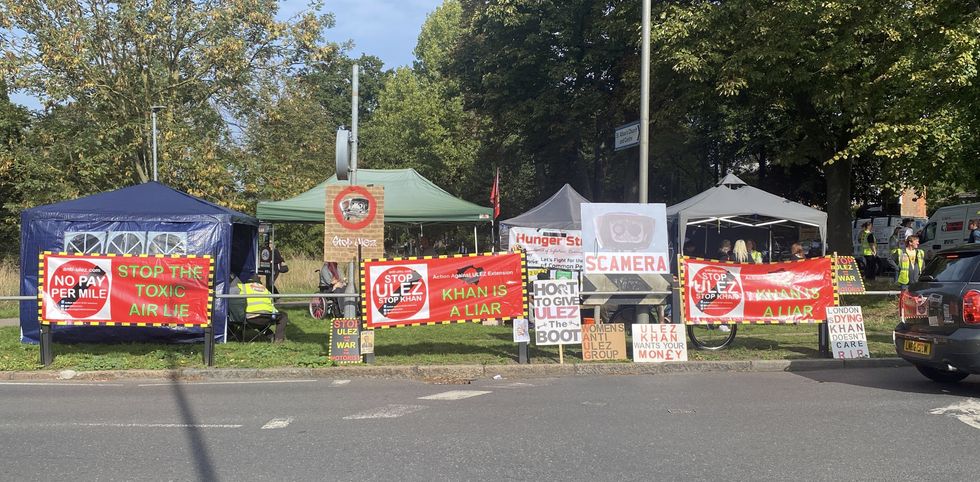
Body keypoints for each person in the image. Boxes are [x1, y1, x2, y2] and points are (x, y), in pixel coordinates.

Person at [228, 276, 287, 342]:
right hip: (267, 318)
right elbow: (271, 304)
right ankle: (278, 339)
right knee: (283, 315)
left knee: (234, 312)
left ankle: (234, 334)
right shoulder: (265, 289)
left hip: (249, 319)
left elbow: (229, 297)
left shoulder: (243, 287)